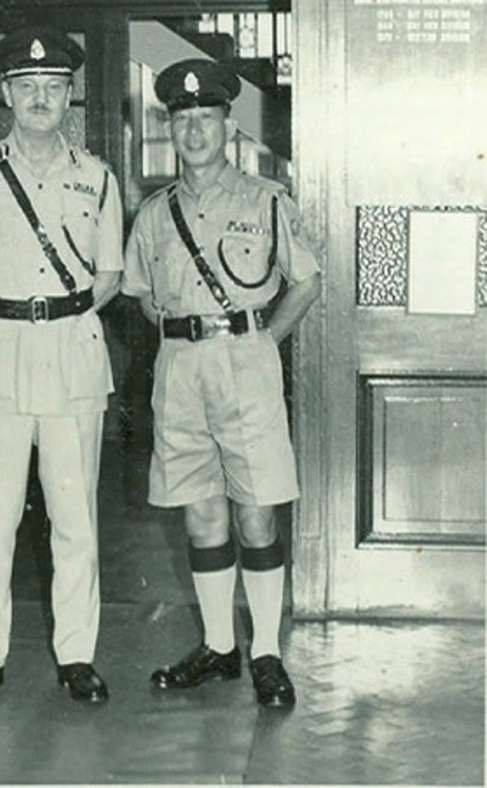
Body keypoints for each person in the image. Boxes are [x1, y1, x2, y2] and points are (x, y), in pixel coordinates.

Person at [0, 25, 123, 707]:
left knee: (75, 516)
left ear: (72, 95)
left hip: (71, 358)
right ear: (5, 93)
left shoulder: (97, 178)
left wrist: (57, 315)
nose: (41, 98)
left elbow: (110, 274)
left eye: (54, 87)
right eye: (27, 86)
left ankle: (77, 655)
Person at [122, 58, 320, 708]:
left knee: (256, 510)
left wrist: (262, 339)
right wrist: (186, 338)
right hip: (180, 370)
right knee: (202, 511)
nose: (195, 131)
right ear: (170, 127)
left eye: (206, 118)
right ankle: (219, 646)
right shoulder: (153, 213)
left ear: (227, 125)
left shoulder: (267, 200)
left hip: (247, 364)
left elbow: (306, 279)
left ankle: (265, 649)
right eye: (183, 120)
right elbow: (141, 296)